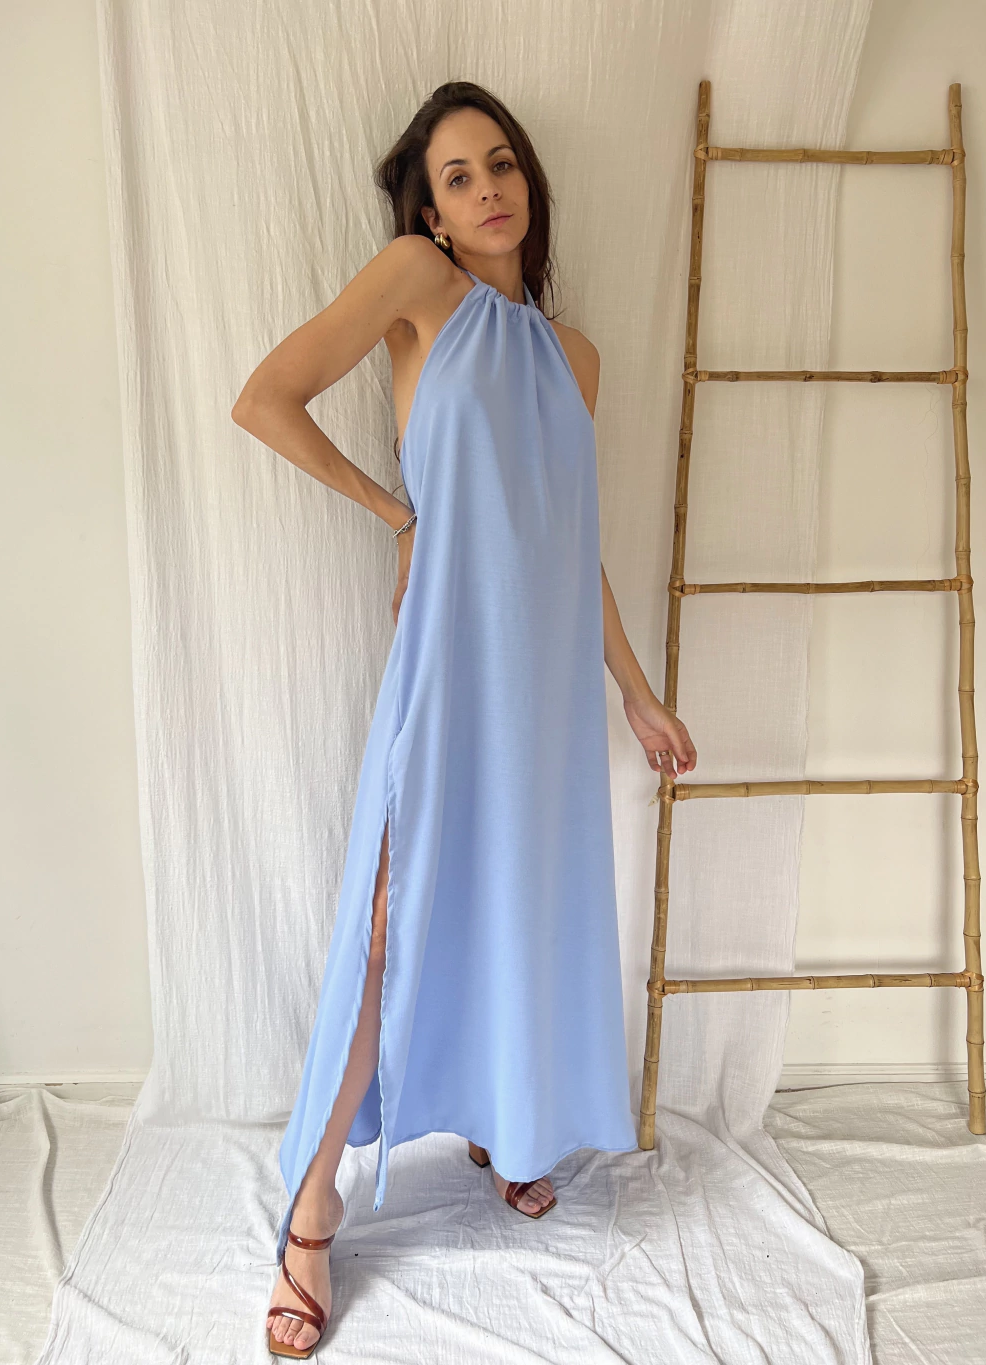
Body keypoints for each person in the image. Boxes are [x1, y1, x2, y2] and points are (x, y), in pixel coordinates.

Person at [232, 80, 697, 1360]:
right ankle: (314, 1211)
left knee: (518, 904)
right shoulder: (415, 287)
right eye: (457, 176)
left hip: (542, 686)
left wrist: (635, 690)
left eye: (501, 164)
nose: (489, 188)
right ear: (429, 214)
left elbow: (566, 544)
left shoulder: (574, 357)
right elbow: (265, 399)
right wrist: (402, 516)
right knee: (392, 919)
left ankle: (507, 1120)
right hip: (448, 666)